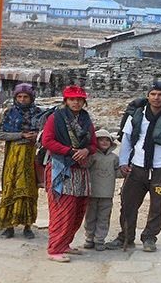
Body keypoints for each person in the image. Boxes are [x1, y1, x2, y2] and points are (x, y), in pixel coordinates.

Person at [107, 81, 161, 252]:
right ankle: (126, 237)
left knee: (157, 205)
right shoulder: (137, 115)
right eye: (153, 94)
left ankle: (150, 237)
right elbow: (127, 140)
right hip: (137, 167)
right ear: (148, 96)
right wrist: (123, 162)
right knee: (128, 203)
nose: (156, 98)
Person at [41, 85, 97, 262]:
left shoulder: (86, 120)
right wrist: (71, 151)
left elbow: (93, 144)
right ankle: (54, 248)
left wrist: (86, 151)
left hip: (80, 170)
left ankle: (65, 243)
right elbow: (47, 141)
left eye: (79, 100)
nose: (76, 102)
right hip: (61, 168)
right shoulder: (55, 118)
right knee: (62, 210)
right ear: (65, 101)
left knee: (77, 209)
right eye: (72, 99)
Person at [0, 83, 40, 239]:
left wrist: (36, 137)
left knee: (30, 190)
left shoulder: (39, 114)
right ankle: (9, 226)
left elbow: (46, 134)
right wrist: (21, 135)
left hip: (31, 157)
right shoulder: (8, 113)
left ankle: (28, 226)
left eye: (26, 97)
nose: (22, 99)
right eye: (19, 97)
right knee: (10, 187)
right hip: (12, 158)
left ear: (31, 98)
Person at [83, 129, 120, 251]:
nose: (104, 142)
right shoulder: (92, 156)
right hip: (92, 193)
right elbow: (84, 166)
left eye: (107, 140)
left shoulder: (114, 158)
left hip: (107, 194)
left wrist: (126, 171)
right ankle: (89, 238)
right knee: (90, 216)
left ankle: (99, 239)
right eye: (101, 140)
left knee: (104, 217)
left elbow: (118, 172)